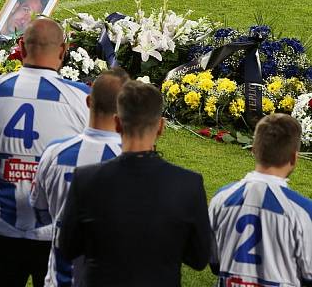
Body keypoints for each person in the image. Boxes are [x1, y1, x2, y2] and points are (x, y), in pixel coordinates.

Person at [0, 16, 90, 287]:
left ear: (21, 47)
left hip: (0, 230)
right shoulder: (82, 98)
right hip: (55, 235)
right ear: (63, 51)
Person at [59, 80, 210, 287]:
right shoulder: (188, 184)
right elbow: (199, 258)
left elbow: (67, 248)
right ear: (161, 127)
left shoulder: (86, 179)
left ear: (117, 123)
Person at [31, 68, 129, 287]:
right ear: (127, 110)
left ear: (88, 101)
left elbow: (40, 214)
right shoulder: (135, 163)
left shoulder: (55, 152)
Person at [209, 113, 312, 287]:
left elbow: (214, 262)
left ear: (254, 149)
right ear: (294, 158)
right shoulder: (303, 211)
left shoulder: (221, 198)